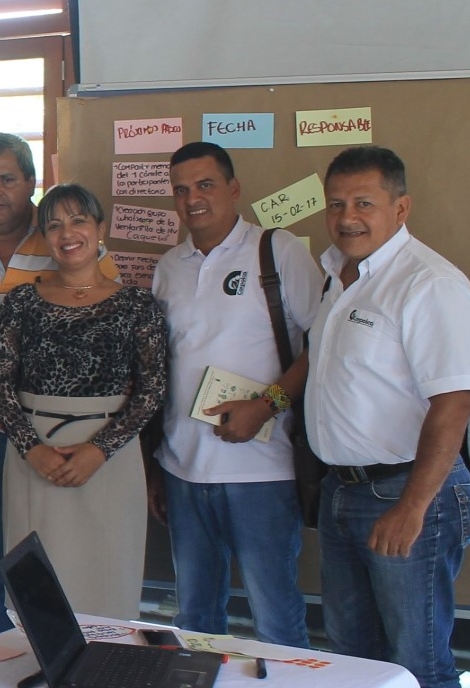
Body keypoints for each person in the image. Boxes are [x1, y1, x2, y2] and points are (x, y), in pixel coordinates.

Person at [304, 146, 470, 688]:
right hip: (343, 492)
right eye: (335, 205)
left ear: (401, 209)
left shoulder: (428, 283)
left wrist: (412, 507)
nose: (346, 218)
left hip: (407, 494)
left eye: (364, 203)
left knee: (418, 665)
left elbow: (454, 403)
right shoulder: (339, 275)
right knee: (355, 661)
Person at [0, 133, 118, 639]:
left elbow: (107, 324)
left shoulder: (67, 241)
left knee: (53, 560)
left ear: (31, 181)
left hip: (56, 437)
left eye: (8, 178)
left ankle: (54, 664)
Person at [150, 142, 316, 646]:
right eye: (181, 190)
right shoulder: (168, 267)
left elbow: (324, 343)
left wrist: (267, 406)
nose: (193, 199)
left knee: (275, 617)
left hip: (261, 471)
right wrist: (155, 465)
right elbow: (164, 368)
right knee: (197, 619)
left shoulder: (277, 249)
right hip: (182, 470)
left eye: (205, 185)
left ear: (234, 189)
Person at [0, 183, 165, 621]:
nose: (67, 233)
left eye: (78, 220)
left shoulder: (138, 305)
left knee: (107, 580)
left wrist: (98, 450)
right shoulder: (23, 301)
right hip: (35, 455)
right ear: (45, 237)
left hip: (109, 459)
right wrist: (34, 449)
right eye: (54, 224)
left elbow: (153, 389)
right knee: (38, 585)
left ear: (100, 228)